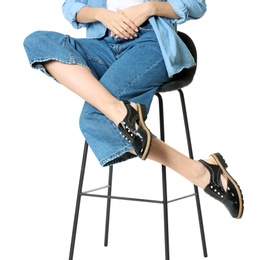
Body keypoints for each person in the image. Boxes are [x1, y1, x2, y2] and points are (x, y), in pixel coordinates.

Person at [23, 0, 244, 219]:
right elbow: (70, 7)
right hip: (102, 45)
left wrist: (150, 8)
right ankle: (197, 170)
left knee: (93, 118)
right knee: (37, 41)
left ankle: (121, 115)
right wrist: (101, 14)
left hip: (149, 43)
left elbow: (196, 4)